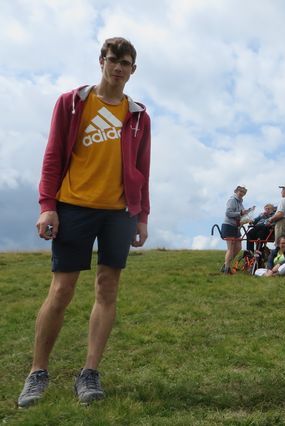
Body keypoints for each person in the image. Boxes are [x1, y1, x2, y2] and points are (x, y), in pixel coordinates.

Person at [17, 37, 151, 408]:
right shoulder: (73, 103)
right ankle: (37, 372)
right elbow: (53, 155)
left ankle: (89, 372)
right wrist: (48, 205)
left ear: (133, 70)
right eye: (113, 61)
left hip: (119, 213)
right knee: (61, 291)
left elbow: (143, 168)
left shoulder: (138, 115)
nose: (119, 68)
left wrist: (142, 215)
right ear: (101, 62)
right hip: (73, 206)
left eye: (126, 63)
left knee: (107, 289)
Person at [221, 186, 253, 274]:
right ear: (236, 191)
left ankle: (225, 265)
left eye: (244, 192)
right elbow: (228, 213)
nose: (242, 193)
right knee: (230, 248)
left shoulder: (240, 203)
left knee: (238, 247)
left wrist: (247, 218)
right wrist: (241, 213)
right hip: (229, 225)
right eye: (240, 191)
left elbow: (241, 216)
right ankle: (227, 269)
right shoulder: (232, 200)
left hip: (236, 227)